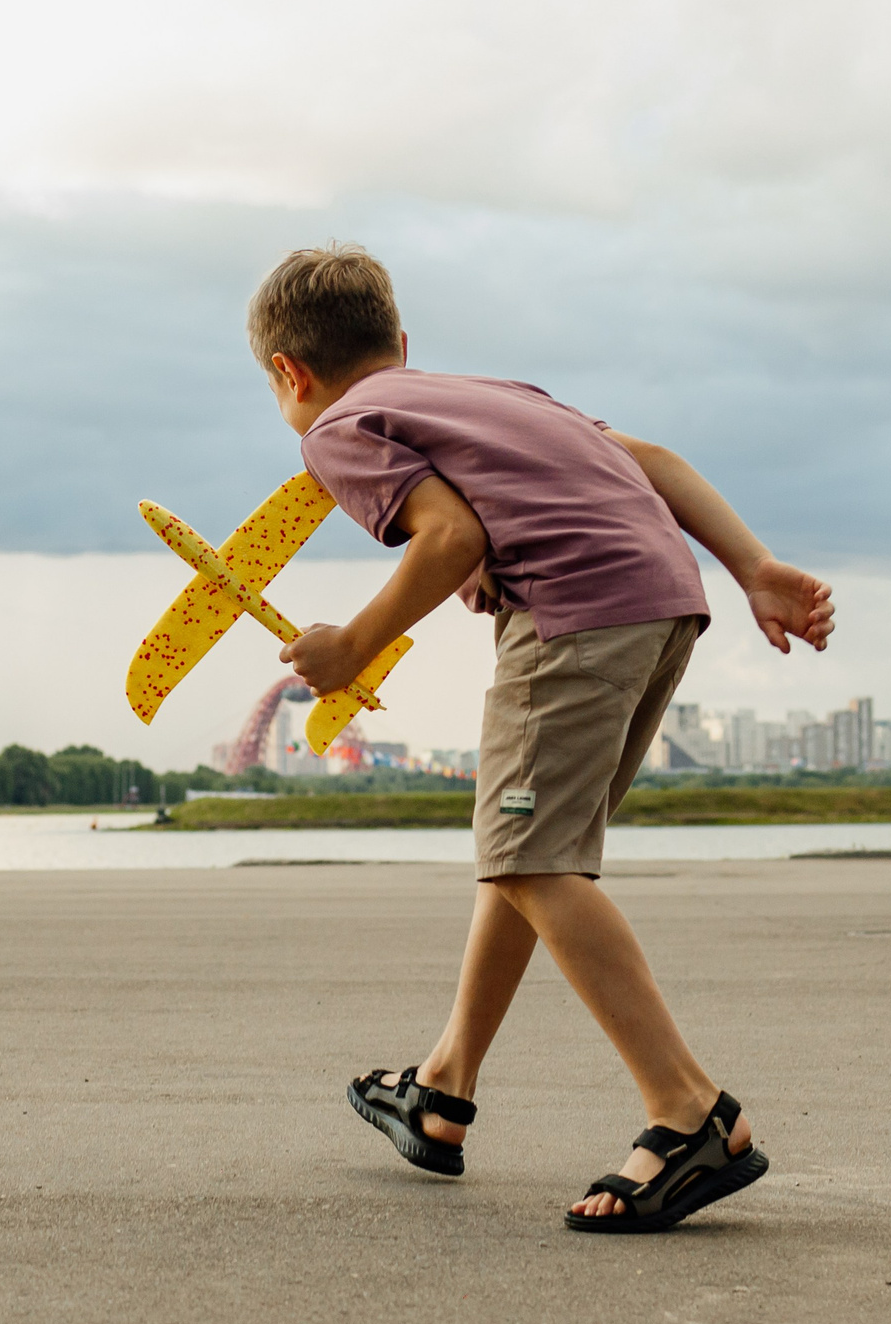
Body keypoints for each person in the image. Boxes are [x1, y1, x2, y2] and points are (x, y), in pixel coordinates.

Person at [249, 245, 834, 1233]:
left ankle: (688, 1113)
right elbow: (649, 462)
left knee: (533, 857)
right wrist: (754, 566)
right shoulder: (491, 395)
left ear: (287, 375)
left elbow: (452, 541)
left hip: (572, 612)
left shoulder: (342, 427)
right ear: (400, 344)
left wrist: (350, 645)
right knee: (528, 859)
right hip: (661, 601)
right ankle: (438, 1091)